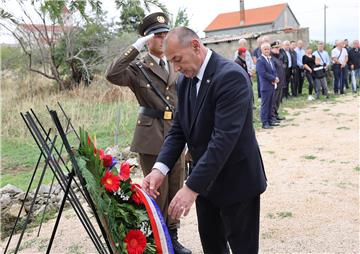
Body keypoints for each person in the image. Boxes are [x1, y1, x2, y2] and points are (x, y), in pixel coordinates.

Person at [142, 27, 267, 254]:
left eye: (177, 59)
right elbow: (179, 129)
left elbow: (223, 140)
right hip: (205, 183)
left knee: (243, 249)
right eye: (171, 62)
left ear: (196, 46)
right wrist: (160, 168)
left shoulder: (230, 77)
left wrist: (190, 188)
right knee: (213, 246)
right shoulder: (185, 81)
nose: (176, 68)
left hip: (236, 182)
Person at [105, 12, 191, 254]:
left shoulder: (175, 62)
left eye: (166, 34)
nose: (163, 39)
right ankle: (158, 240)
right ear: (147, 38)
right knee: (158, 193)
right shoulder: (138, 67)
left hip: (176, 132)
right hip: (151, 136)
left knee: (176, 187)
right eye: (158, 36)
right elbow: (112, 74)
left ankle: (172, 238)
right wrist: (136, 46)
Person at [257, 42, 279, 129]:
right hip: (265, 86)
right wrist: (273, 79)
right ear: (262, 50)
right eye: (265, 49)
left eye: (268, 49)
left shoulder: (270, 59)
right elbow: (263, 73)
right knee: (265, 105)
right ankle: (264, 122)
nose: (267, 50)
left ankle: (270, 120)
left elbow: (274, 70)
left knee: (271, 104)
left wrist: (276, 77)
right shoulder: (260, 60)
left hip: (272, 85)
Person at [270, 41, 286, 124]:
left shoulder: (279, 57)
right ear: (271, 49)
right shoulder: (271, 58)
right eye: (276, 48)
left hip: (281, 82)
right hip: (275, 83)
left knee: (278, 100)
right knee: (274, 100)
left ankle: (276, 114)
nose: (277, 49)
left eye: (278, 48)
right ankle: (272, 116)